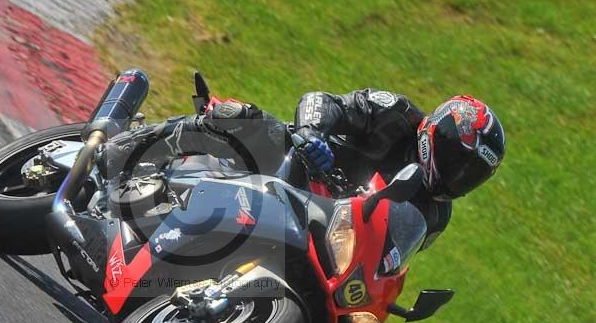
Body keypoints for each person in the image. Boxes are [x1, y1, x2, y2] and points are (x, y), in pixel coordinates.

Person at [94, 89, 505, 248]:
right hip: (295, 167)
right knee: (245, 121)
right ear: (440, 136)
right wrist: (312, 134)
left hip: (320, 227)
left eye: (471, 175)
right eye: (458, 163)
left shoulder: (436, 214)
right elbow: (324, 101)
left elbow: (390, 255)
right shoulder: (393, 113)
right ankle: (120, 152)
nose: (457, 177)